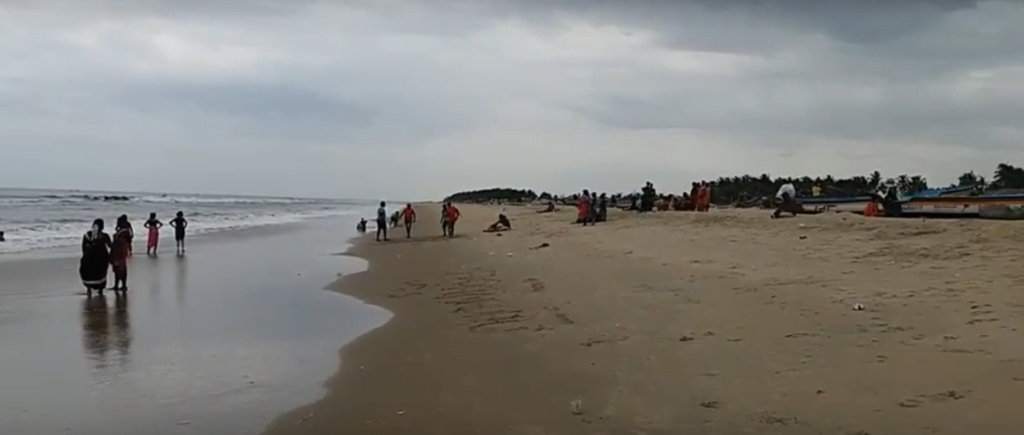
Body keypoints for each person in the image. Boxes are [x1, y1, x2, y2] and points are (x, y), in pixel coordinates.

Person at [80, 219, 112, 297]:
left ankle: (89, 289)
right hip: (101, 259)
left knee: (88, 273)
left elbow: (83, 248)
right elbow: (110, 246)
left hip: (89, 259)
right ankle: (100, 290)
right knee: (101, 274)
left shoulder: (86, 235)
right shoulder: (105, 236)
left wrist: (86, 257)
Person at [110, 215, 132, 292]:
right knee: (117, 268)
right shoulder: (122, 231)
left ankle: (123, 285)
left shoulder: (124, 232)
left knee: (121, 267)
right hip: (119, 250)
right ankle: (117, 285)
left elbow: (125, 241)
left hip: (120, 251)